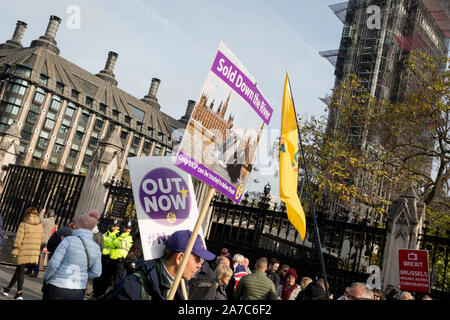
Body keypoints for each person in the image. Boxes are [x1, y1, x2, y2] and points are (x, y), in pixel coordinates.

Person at [108, 229, 215, 300]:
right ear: (180, 258)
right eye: (197, 260)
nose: (199, 266)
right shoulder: (133, 287)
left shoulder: (183, 288)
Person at [42, 210, 102, 300]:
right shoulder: (96, 247)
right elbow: (97, 272)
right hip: (78, 290)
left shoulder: (68, 240)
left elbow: (53, 264)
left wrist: (46, 278)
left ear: (78, 225)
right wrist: (83, 275)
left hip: (58, 285)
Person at [1, 206, 44, 300]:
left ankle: (19, 293)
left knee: (20, 270)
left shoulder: (24, 223)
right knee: (19, 270)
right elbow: (41, 239)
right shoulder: (40, 225)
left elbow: (18, 239)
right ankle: (7, 289)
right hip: (33, 252)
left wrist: (15, 249)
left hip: (23, 250)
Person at [91, 219, 121, 298]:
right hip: (102, 256)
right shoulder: (106, 233)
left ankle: (100, 293)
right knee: (98, 275)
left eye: (116, 226)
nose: (114, 227)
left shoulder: (118, 236)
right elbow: (101, 242)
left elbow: (115, 245)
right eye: (113, 225)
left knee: (105, 277)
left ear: (118, 228)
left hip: (109, 258)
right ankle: (95, 291)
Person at [26, 208, 56, 277]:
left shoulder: (48, 221)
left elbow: (40, 220)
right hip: (43, 240)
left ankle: (35, 271)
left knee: (36, 255)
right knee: (33, 254)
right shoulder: (51, 221)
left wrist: (42, 212)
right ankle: (30, 269)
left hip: (41, 240)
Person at [109, 220, 134, 286]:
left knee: (117, 281)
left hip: (120, 260)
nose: (128, 230)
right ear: (124, 228)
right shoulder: (121, 235)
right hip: (113, 258)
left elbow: (121, 244)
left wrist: (115, 242)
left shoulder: (129, 237)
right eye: (127, 228)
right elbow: (115, 243)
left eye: (129, 228)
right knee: (109, 279)